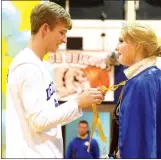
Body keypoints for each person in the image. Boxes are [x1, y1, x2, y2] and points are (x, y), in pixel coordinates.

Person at [6, 2, 104, 158]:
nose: (64, 39)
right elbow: (39, 121)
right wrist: (77, 102)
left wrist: (80, 102)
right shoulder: (27, 66)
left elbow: (48, 119)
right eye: (61, 32)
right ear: (45, 29)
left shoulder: (41, 65)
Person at [115, 22, 161, 158]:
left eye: (121, 41)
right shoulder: (152, 77)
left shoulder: (143, 81)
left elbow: (142, 142)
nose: (117, 48)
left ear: (137, 45)